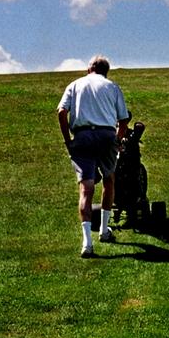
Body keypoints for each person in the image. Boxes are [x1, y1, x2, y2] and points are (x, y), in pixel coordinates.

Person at [57, 55, 130, 258]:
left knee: (86, 188)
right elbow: (123, 120)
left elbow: (62, 112)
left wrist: (67, 140)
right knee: (109, 180)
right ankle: (105, 230)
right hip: (106, 135)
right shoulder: (112, 87)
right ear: (106, 71)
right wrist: (117, 140)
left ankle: (87, 243)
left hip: (82, 137)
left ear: (89, 69)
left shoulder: (75, 85)